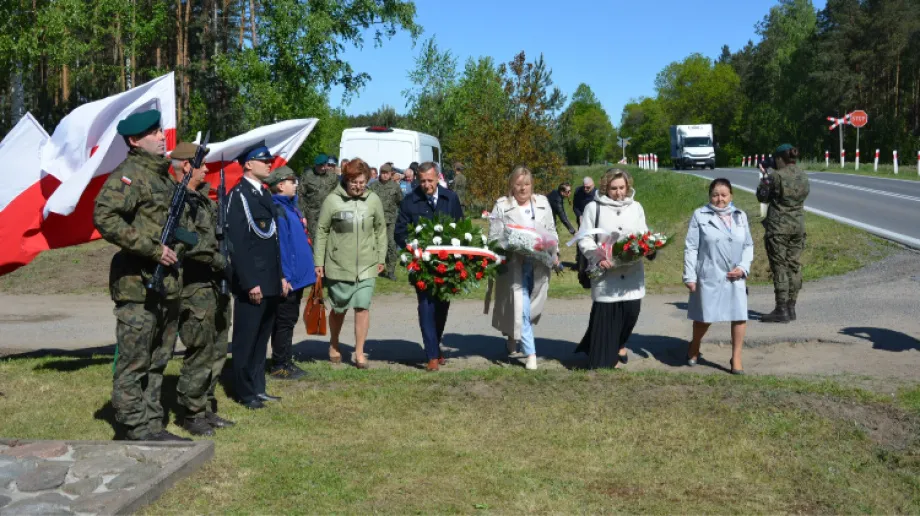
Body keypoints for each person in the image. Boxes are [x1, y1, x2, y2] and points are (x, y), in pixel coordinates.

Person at [93, 109, 193, 441]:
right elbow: (104, 216)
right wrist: (151, 249)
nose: (162, 135)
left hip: (165, 283)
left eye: (160, 130)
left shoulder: (162, 176)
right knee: (135, 361)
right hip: (137, 283)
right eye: (153, 133)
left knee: (158, 359)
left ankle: (152, 424)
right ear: (135, 141)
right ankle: (132, 426)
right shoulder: (131, 174)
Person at [169, 142, 235, 436]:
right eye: (201, 164)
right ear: (186, 166)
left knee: (218, 345)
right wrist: (219, 259)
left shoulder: (202, 199)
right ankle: (191, 411)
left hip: (215, 283)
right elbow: (188, 242)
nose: (207, 169)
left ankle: (205, 405)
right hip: (195, 285)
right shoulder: (178, 199)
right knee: (199, 349)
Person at [226, 144, 290, 410]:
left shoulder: (263, 194)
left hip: (270, 279)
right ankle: (243, 391)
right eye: (264, 161)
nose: (269, 165)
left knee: (262, 337)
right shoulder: (238, 195)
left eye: (269, 161)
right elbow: (238, 245)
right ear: (248, 164)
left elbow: (272, 242)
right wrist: (250, 281)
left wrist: (281, 278)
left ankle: (257, 387)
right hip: (252, 282)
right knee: (246, 338)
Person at [313, 159, 387, 369]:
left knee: (363, 307)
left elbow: (380, 229)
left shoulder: (373, 200)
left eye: (362, 182)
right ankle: (334, 343)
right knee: (339, 308)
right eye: (354, 182)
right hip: (339, 264)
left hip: (366, 264)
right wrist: (319, 261)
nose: (358, 186)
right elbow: (322, 231)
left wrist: (381, 257)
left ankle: (360, 352)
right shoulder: (332, 201)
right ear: (346, 180)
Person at [576, 168, 653, 369]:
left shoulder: (636, 207)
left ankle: (620, 344)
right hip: (606, 272)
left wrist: (649, 246)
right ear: (605, 187)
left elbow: (644, 233)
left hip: (632, 272)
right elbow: (584, 237)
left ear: (627, 187)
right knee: (607, 315)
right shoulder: (593, 208)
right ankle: (605, 356)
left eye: (622, 187)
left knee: (631, 312)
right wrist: (597, 256)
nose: (618, 192)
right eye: (613, 188)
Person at [487, 166, 560, 370]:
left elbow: (552, 232)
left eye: (526, 184)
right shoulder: (502, 205)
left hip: (538, 265)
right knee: (521, 308)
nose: (522, 189)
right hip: (513, 265)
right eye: (518, 184)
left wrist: (555, 253)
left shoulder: (543, 203)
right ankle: (531, 354)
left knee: (532, 308)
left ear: (532, 185)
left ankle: (512, 335)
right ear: (512, 185)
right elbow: (494, 237)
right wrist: (512, 245)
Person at [395, 162, 464, 371]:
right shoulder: (410, 201)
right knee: (426, 305)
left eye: (429, 181)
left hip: (446, 264)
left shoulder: (450, 198)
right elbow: (399, 232)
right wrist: (413, 247)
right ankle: (432, 355)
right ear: (417, 179)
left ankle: (435, 344)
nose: (426, 185)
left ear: (437, 178)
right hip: (421, 265)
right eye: (422, 181)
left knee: (442, 306)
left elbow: (460, 226)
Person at [683, 178, 754, 374]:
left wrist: (743, 267)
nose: (719, 199)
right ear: (710, 196)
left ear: (731, 195)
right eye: (715, 195)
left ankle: (736, 358)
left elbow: (748, 245)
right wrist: (690, 276)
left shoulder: (740, 216)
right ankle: (694, 346)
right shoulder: (700, 215)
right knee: (704, 317)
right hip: (709, 273)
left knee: (739, 315)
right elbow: (691, 247)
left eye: (724, 195)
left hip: (735, 276)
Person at [264, 165, 316, 380]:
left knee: (289, 319)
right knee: (284, 321)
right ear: (280, 185)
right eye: (291, 180)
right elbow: (282, 247)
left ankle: (285, 359)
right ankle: (280, 365)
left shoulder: (291, 207)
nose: (296, 184)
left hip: (298, 277)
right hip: (289, 279)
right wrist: (284, 276)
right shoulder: (277, 210)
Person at [756, 144, 810, 323]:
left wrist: (764, 175)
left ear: (780, 158)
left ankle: (781, 309)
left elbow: (762, 196)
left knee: (779, 266)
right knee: (794, 265)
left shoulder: (776, 176)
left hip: (778, 228)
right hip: (798, 226)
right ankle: (791, 307)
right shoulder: (803, 175)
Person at [369, 162, 404, 280]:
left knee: (391, 244)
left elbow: (400, 202)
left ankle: (391, 270)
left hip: (390, 220)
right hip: (375, 220)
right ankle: (374, 267)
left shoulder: (395, 187)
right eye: (382, 173)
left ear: (391, 174)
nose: (384, 175)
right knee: (373, 244)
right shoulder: (373, 186)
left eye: (387, 173)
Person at [298, 153, 339, 241]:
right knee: (314, 239)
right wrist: (302, 215)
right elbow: (300, 195)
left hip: (329, 213)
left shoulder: (332, 176)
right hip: (313, 214)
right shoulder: (307, 176)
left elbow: (338, 193)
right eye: (321, 166)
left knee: (330, 238)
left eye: (325, 165)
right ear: (316, 165)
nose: (323, 168)